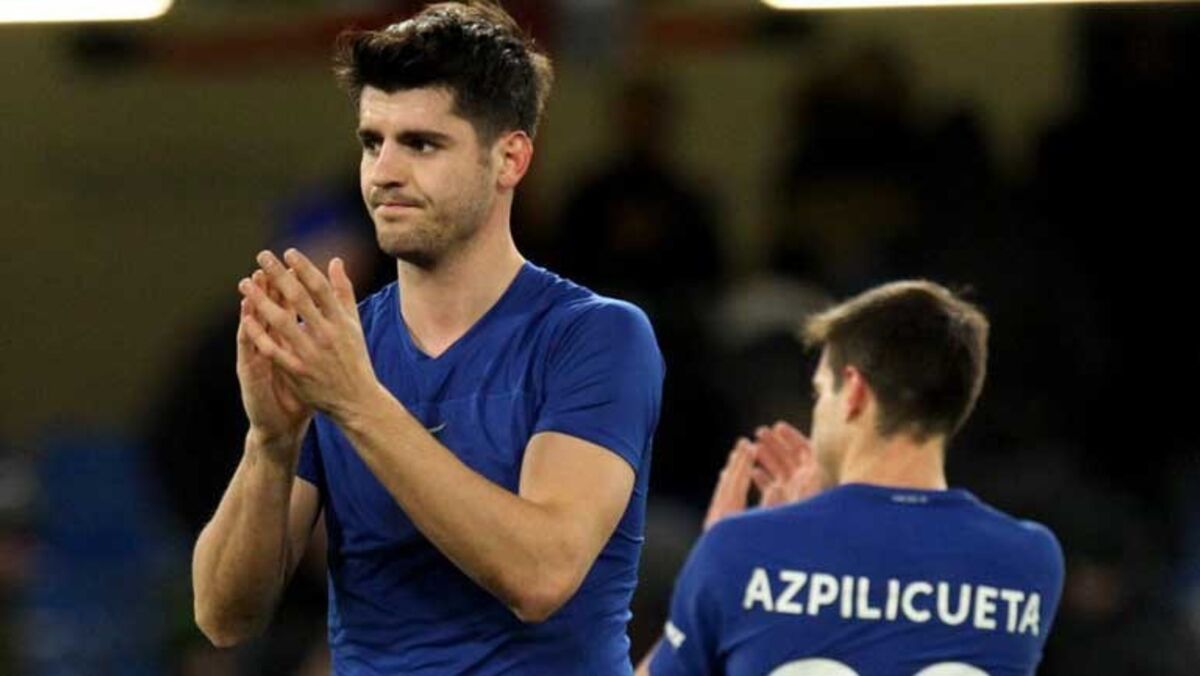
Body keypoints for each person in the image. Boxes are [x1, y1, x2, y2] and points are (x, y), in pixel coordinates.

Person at [191, 3, 664, 674]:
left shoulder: (594, 335)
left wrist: (358, 403)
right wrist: (270, 444)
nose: (383, 172)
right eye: (372, 142)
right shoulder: (340, 349)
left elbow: (541, 575)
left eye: (421, 144)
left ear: (510, 159)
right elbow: (223, 617)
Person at [639, 280, 1063, 676]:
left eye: (820, 392)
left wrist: (716, 570)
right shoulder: (1030, 558)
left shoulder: (741, 548)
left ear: (854, 391)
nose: (817, 411)